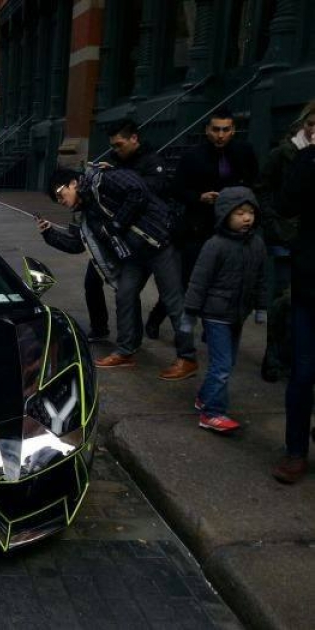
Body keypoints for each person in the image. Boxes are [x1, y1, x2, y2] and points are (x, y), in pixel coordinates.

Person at [39, 167, 197, 380]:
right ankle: (126, 350)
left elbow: (138, 191)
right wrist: (49, 233)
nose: (61, 201)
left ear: (74, 183)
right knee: (125, 294)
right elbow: (78, 244)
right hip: (134, 255)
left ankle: (187, 357)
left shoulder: (104, 180)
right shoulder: (85, 214)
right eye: (56, 199)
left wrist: (116, 224)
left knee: (173, 300)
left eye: (60, 193)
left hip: (159, 242)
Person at [146, 107, 259, 339]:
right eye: (216, 129)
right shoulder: (193, 156)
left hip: (229, 228)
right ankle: (157, 317)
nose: (220, 135)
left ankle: (211, 328)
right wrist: (199, 197)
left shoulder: (244, 152)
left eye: (225, 130)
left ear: (233, 130)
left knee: (221, 282)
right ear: (207, 130)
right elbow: (175, 188)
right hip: (197, 227)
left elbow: (253, 184)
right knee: (187, 280)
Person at [180, 187, 266, 432]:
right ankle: (212, 413)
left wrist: (261, 307)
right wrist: (190, 313)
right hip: (215, 314)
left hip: (238, 313)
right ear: (226, 214)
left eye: (250, 212)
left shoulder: (257, 244)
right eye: (240, 213)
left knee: (226, 363)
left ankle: (205, 397)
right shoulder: (215, 245)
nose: (246, 218)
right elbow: (199, 281)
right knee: (222, 365)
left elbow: (260, 278)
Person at [83, 118, 169, 343]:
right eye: (112, 145)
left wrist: (115, 178)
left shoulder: (152, 161)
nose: (115, 150)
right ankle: (100, 328)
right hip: (114, 234)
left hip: (142, 236)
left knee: (129, 291)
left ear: (134, 138)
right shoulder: (113, 160)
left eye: (119, 144)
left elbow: (149, 192)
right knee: (93, 280)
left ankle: (136, 336)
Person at [254, 101, 315, 382]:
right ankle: (274, 356)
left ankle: (291, 356)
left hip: (307, 241)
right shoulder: (285, 152)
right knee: (280, 299)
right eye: (311, 123)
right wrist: (272, 221)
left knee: (294, 302)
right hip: (283, 236)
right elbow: (264, 188)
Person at [271, 142, 315, 483]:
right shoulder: (308, 159)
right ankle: (296, 450)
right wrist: (309, 155)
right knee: (302, 373)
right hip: (311, 288)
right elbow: (286, 204)